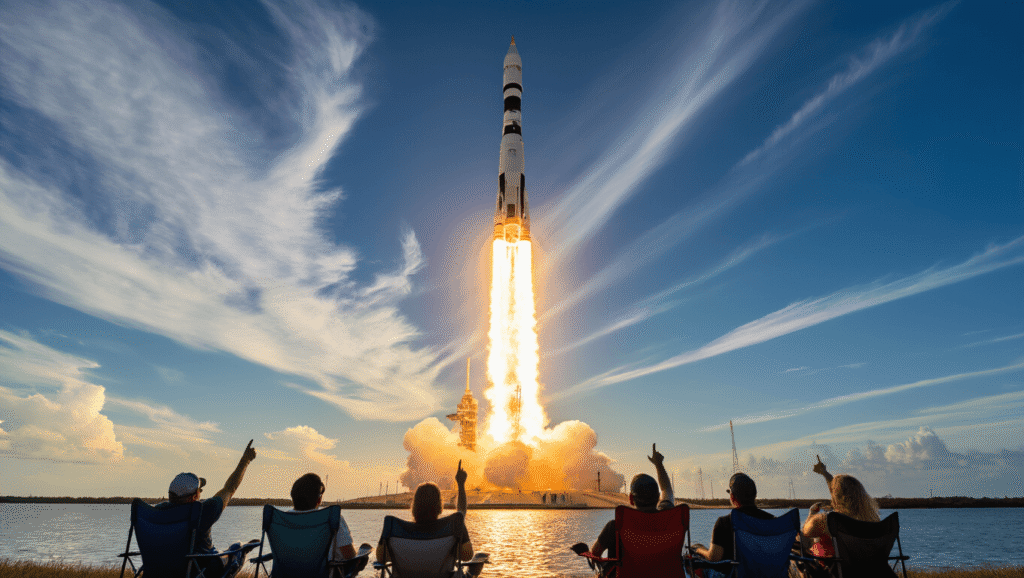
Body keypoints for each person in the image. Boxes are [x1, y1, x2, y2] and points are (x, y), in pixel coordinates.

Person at [155, 440, 258, 578]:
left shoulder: (156, 511)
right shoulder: (202, 511)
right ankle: (242, 549)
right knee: (237, 548)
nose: (201, 493)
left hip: (164, 571)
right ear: (194, 496)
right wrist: (245, 461)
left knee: (227, 551)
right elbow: (229, 489)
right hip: (203, 570)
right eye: (200, 490)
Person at [375, 460, 473, 565]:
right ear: (440, 508)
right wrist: (461, 485)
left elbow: (381, 557)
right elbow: (467, 556)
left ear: (413, 508)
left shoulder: (394, 528)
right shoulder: (450, 530)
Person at [590, 443, 675, 564]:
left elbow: (595, 554)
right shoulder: (667, 515)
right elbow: (667, 490)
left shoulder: (615, 527)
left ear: (630, 499)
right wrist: (659, 464)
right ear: (658, 498)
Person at [691, 472, 774, 574]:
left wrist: (698, 549)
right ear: (755, 495)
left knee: (691, 561)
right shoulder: (772, 521)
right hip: (766, 574)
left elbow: (714, 558)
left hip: (734, 575)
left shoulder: (724, 522)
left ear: (732, 497)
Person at [288, 472, 367, 573]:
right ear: (319, 500)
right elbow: (349, 555)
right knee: (361, 557)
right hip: (324, 574)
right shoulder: (332, 518)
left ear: (293, 497)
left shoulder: (281, 520)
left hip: (287, 574)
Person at [803, 456, 880, 559]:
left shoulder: (827, 520)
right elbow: (842, 491)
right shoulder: (872, 520)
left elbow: (806, 532)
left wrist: (812, 514)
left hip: (838, 571)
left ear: (837, 498)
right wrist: (825, 473)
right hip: (870, 570)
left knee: (802, 540)